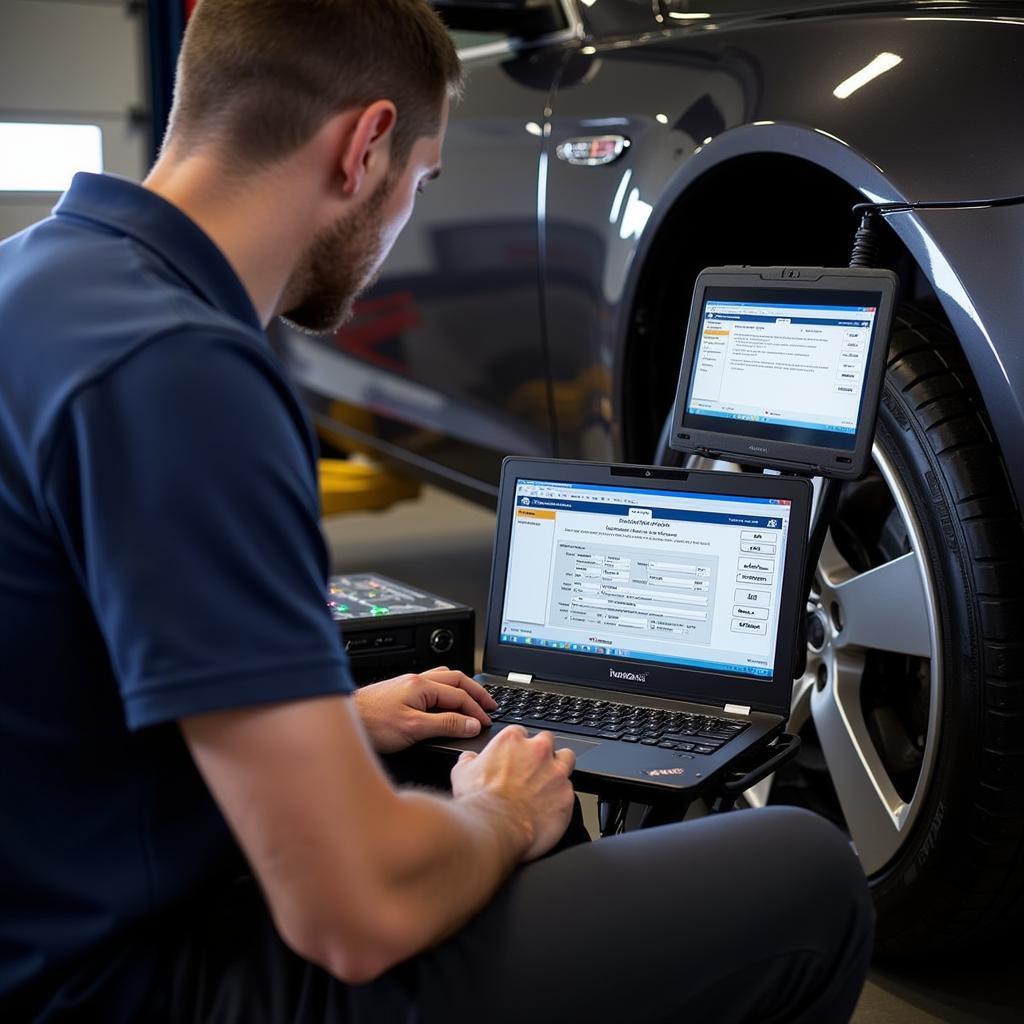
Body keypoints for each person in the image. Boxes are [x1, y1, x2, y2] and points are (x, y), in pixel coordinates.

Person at [0, 1, 874, 1021]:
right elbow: (355, 913)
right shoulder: (182, 371)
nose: (406, 219)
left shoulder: (35, 283)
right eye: (420, 182)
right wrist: (500, 816)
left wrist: (342, 722)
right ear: (364, 146)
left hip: (47, 914)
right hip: (130, 985)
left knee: (419, 755)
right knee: (803, 872)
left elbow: (69, 691)